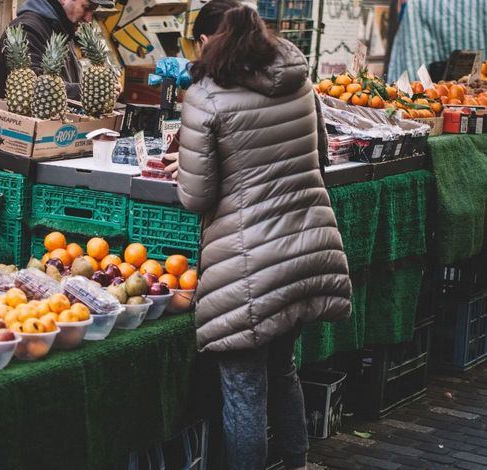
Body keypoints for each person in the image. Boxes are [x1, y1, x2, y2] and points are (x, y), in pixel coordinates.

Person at [173, 1, 353, 469]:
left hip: (249, 260)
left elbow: (196, 196)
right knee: (282, 368)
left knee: (244, 387)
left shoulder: (206, 96)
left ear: (210, 40)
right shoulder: (300, 81)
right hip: (307, 246)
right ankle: (295, 461)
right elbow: (320, 155)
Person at [0, 0, 114, 101]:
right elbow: (35, 88)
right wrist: (94, 91)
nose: (89, 19)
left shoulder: (62, 29)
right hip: (17, 130)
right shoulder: (27, 29)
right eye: (86, 8)